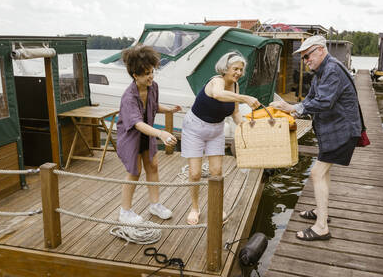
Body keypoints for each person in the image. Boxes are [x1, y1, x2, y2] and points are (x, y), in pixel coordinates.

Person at [270, 35, 361, 241]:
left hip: (342, 131)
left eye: (307, 56)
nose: (305, 61)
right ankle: (322, 213)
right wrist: (292, 110)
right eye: (302, 58)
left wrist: (293, 107)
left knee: (317, 173)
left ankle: (321, 228)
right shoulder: (321, 70)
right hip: (333, 130)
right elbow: (311, 98)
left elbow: (324, 102)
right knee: (323, 174)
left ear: (320, 50)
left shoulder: (332, 70)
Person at [181, 51, 260, 225]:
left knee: (216, 172)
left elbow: (236, 113)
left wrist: (245, 129)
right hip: (195, 128)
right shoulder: (216, 81)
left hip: (216, 130)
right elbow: (217, 94)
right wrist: (244, 98)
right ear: (225, 68)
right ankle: (195, 208)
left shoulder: (236, 86)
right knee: (194, 174)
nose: (238, 73)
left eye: (241, 69)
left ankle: (217, 206)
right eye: (235, 69)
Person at [116, 45, 181, 223]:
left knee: (153, 166)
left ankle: (155, 204)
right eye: (146, 73)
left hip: (147, 133)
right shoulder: (129, 97)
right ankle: (125, 211)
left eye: (152, 71)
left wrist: (168, 109)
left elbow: (151, 106)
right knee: (134, 171)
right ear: (135, 75)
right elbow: (137, 123)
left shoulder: (153, 86)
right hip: (131, 136)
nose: (151, 76)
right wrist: (161, 133)